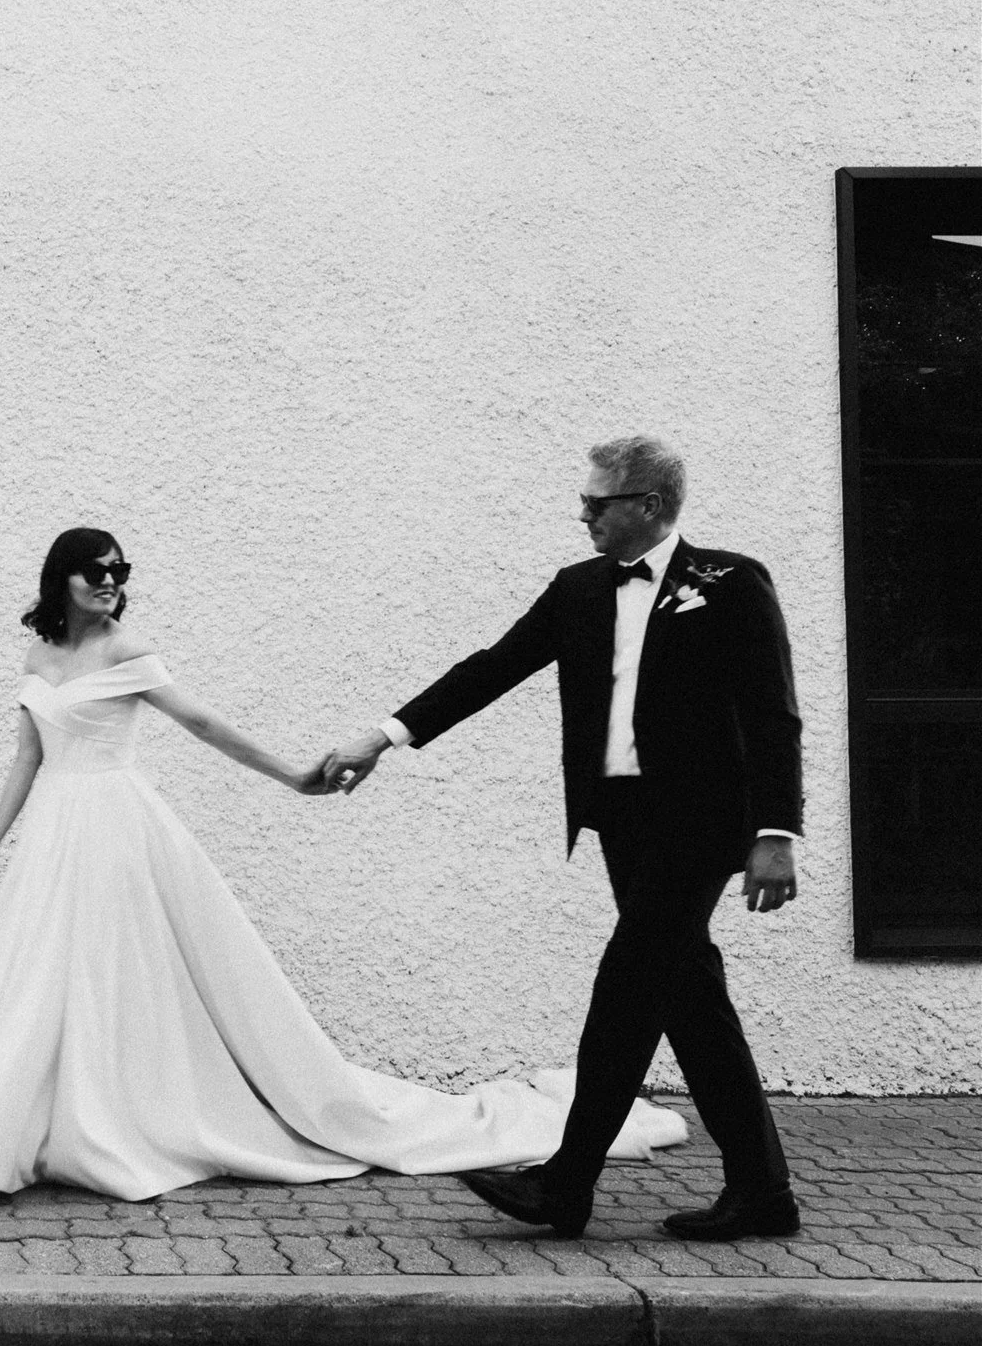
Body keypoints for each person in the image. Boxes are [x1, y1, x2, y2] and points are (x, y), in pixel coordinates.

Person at [0, 527, 684, 1202]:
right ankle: (3, 1122)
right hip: (54, 832)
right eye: (97, 572)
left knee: (105, 974)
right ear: (61, 580)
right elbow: (26, 756)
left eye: (122, 571)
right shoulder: (41, 656)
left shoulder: (127, 649)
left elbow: (208, 727)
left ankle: (101, 1121)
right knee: (37, 973)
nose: (113, 582)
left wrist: (293, 774)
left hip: (117, 827)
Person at [320, 436, 802, 1242]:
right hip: (623, 826)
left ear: (647, 505)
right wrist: (385, 734)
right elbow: (494, 666)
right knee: (689, 1000)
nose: (582, 513)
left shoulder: (729, 582)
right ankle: (762, 1190)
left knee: (625, 987)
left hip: (701, 828)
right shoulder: (578, 589)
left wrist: (776, 831)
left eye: (597, 502)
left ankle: (566, 1182)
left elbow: (772, 713)